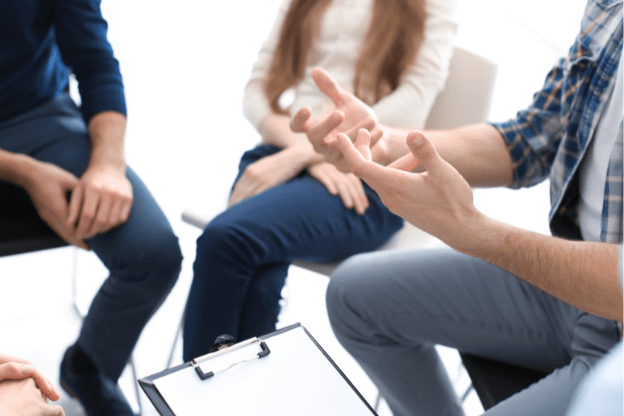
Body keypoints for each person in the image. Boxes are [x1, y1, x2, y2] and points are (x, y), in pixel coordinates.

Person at [289, 0, 623, 414]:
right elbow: (532, 138)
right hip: (569, 290)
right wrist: (384, 140)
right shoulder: (611, 9)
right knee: (352, 295)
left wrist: (479, 233)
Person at [182, 0, 458, 361]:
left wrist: (308, 154)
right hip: (281, 153)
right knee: (259, 285)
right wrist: (307, 154)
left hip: (368, 173)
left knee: (228, 241)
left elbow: (413, 105)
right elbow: (256, 93)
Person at [0, 1, 183, 415]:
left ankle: (88, 366)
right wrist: (25, 173)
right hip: (24, 155)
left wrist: (107, 165)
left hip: (37, 116)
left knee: (153, 253)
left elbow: (94, 60)